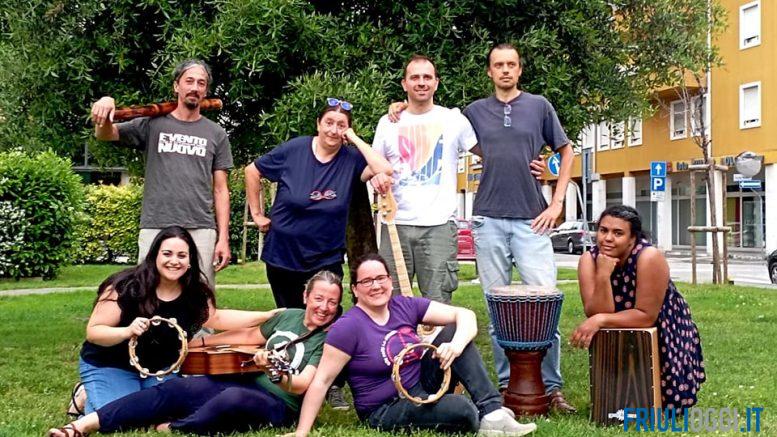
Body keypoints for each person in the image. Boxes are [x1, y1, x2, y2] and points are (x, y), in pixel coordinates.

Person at [48, 270, 343, 437]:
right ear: (306, 296)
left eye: (332, 302)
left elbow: (302, 385)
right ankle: (82, 426)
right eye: (318, 298)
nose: (324, 307)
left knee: (231, 398)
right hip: (244, 380)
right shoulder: (289, 317)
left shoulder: (330, 338)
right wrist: (197, 345)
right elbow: (247, 336)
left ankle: (173, 427)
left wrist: (273, 372)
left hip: (278, 404)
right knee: (178, 388)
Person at [245, 98, 391, 408]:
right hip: (283, 254)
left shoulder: (351, 159)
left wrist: (354, 139)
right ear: (318, 124)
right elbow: (252, 171)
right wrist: (257, 214)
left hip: (325, 256)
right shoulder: (294, 150)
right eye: (329, 123)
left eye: (341, 125)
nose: (334, 130)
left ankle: (332, 383)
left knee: (328, 319)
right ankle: (293, 377)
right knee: (292, 319)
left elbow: (384, 168)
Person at [292, 253, 537, 437]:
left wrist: (456, 345)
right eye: (367, 281)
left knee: (453, 331)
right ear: (355, 290)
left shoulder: (404, 305)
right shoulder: (348, 327)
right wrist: (302, 432)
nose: (376, 286)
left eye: (380, 278)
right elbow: (322, 380)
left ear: (390, 281)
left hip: (421, 384)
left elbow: (465, 315)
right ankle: (477, 414)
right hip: (385, 408)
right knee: (463, 410)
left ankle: (492, 412)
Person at [379, 55, 547, 304]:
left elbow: (493, 153)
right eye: (415, 77)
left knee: (438, 303)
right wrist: (377, 174)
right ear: (404, 83)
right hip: (396, 223)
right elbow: (374, 165)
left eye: (427, 77)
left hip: (439, 226)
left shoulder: (454, 120)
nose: (421, 82)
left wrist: (533, 163)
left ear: (437, 83)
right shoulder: (388, 122)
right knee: (389, 301)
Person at [462, 43, 575, 412]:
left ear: (520, 70)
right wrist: (398, 109)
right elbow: (438, 126)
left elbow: (566, 151)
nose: (505, 70)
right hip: (488, 218)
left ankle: (552, 387)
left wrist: (557, 200)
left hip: (532, 219)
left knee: (545, 306)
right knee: (498, 311)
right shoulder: (474, 112)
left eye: (511, 64)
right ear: (490, 72)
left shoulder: (539, 106)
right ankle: (507, 386)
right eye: (499, 65)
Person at [76, 226, 282, 414]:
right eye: (167, 254)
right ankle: (84, 396)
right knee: (118, 415)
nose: (174, 261)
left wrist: (267, 316)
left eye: (182, 255)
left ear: (190, 260)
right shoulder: (125, 286)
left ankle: (100, 395)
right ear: (154, 255)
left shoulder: (195, 292)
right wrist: (127, 331)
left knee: (157, 413)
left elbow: (216, 317)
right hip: (111, 364)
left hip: (161, 369)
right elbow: (94, 332)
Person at [90, 59, 232, 286]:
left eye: (201, 83)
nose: (195, 87)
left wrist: (223, 238)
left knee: (201, 295)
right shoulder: (152, 124)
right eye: (189, 81)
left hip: (201, 227)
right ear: (176, 86)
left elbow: (221, 189)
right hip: (156, 223)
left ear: (206, 90)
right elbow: (106, 134)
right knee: (147, 290)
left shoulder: (216, 133)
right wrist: (106, 105)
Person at [571, 205, 706, 411]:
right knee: (619, 404)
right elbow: (596, 312)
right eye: (603, 230)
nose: (607, 238)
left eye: (618, 233)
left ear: (632, 238)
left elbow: (645, 316)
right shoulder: (589, 259)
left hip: (662, 323)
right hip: (618, 323)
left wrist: (600, 320)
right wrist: (603, 276)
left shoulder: (648, 257)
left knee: (664, 405)